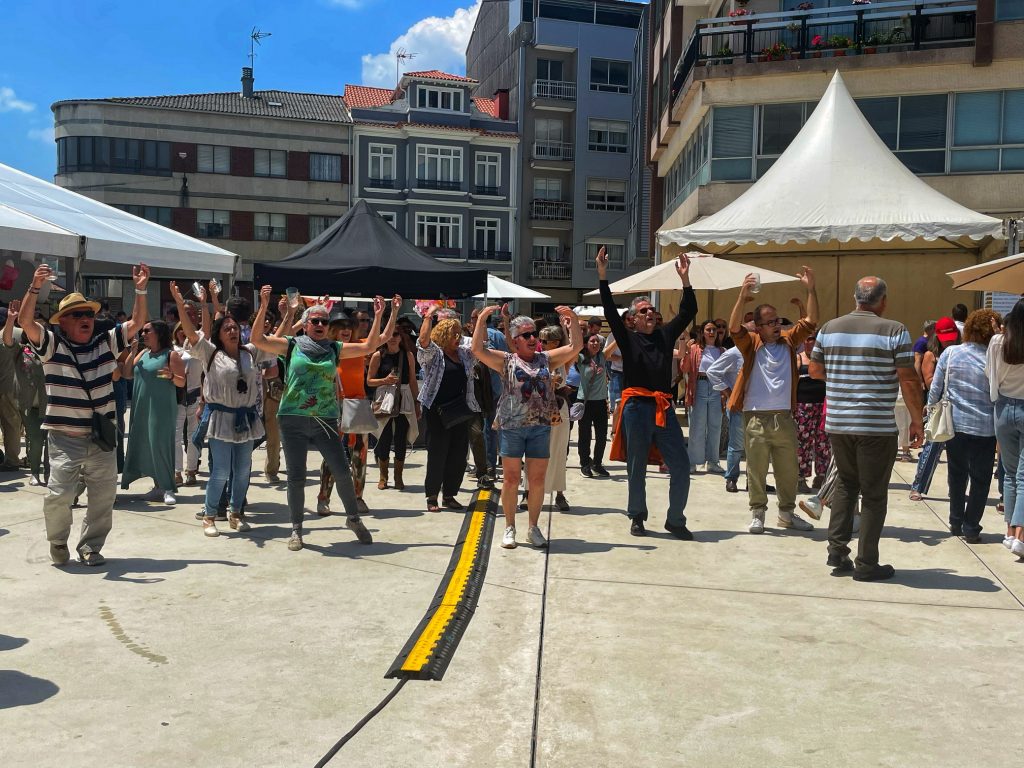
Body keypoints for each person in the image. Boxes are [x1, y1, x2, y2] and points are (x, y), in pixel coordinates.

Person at [18, 263, 150, 566]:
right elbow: (25, 321)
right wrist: (35, 286)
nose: (85, 319)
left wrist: (141, 289)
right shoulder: (52, 345)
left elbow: (137, 322)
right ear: (63, 322)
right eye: (77, 315)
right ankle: (58, 541)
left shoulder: (106, 343)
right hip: (65, 439)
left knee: (103, 498)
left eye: (88, 314)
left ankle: (91, 546)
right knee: (59, 495)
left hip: (101, 437)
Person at [251, 288, 391, 551]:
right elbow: (257, 339)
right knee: (296, 477)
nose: (319, 324)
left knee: (342, 471)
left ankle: (353, 518)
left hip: (325, 419)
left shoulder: (334, 349)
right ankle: (296, 529)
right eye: (314, 320)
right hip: (293, 418)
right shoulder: (291, 346)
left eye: (324, 321)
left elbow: (369, 346)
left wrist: (381, 314)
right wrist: (264, 304)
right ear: (304, 325)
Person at [810, 276, 924, 581]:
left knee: (846, 485)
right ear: (883, 300)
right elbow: (908, 379)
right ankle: (867, 563)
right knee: (873, 494)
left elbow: (815, 370)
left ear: (855, 298)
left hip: (839, 423)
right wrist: (916, 420)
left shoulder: (829, 328)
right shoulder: (894, 330)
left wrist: (844, 378)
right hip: (876, 426)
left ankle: (837, 551)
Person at [598, 248, 697, 539]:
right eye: (643, 311)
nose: (650, 313)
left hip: (663, 408)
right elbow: (609, 311)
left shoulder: (665, 336)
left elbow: (688, 311)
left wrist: (685, 280)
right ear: (632, 319)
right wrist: (602, 276)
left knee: (681, 465)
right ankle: (637, 516)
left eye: (652, 310)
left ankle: (675, 520)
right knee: (637, 466)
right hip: (636, 409)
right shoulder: (627, 338)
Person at [472, 304, 582, 549]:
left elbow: (575, 347)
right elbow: (477, 349)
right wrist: (481, 319)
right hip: (512, 427)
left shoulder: (546, 359)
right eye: (526, 335)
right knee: (511, 479)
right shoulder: (506, 361)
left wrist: (573, 320)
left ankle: (533, 527)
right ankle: (510, 526)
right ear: (515, 340)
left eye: (534, 334)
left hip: (540, 427)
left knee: (537, 480)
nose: (533, 339)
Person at [170, 282, 271, 536]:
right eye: (227, 328)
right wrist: (181, 304)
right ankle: (210, 515)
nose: (232, 331)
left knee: (243, 471)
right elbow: (191, 333)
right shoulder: (210, 352)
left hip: (246, 419)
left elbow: (267, 337)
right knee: (221, 470)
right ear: (219, 334)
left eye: (235, 327)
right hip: (221, 419)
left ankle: (235, 513)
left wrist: (266, 306)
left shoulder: (250, 352)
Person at [727, 270, 819, 535]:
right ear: (758, 326)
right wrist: (742, 296)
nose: (776, 325)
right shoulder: (751, 343)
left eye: (777, 320)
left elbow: (811, 320)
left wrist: (811, 289)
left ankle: (786, 515)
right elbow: (734, 328)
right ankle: (758, 513)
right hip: (755, 416)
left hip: (784, 416)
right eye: (769, 322)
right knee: (756, 469)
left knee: (788, 470)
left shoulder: (789, 341)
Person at [929, 309, 998, 543]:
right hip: (986, 427)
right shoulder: (994, 357)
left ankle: (956, 520)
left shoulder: (951, 353)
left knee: (957, 474)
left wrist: (930, 411)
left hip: (955, 425)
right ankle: (971, 526)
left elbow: (936, 388)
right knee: (981, 480)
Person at [417, 305, 479, 512]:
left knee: (458, 454)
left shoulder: (463, 354)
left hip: (458, 408)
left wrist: (481, 321)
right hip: (436, 409)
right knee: (438, 452)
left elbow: (480, 346)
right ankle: (432, 496)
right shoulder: (435, 354)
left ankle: (450, 494)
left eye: (459, 334)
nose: (458, 338)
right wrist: (428, 317)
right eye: (454, 334)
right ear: (444, 335)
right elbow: (423, 342)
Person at [120, 319, 184, 504]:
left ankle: (168, 487)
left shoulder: (171, 355)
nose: (143, 334)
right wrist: (133, 352)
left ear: (159, 333)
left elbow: (181, 382)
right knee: (146, 444)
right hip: (142, 406)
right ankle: (158, 487)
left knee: (160, 444)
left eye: (147, 331)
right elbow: (127, 374)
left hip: (161, 408)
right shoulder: (143, 353)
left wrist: (171, 376)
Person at [986, 300, 1024, 559]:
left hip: (1003, 407)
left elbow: (991, 375)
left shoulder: (998, 342)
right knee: (1022, 475)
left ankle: (1010, 532)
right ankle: (1020, 535)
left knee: (1009, 473)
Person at [910, 316, 960, 501]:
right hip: (940, 406)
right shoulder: (931, 355)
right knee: (931, 449)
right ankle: (918, 487)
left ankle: (956, 489)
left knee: (959, 454)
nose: (949, 341)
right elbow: (931, 382)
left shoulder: (960, 352)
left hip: (959, 407)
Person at [367, 323, 419, 490]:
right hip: (383, 398)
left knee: (401, 438)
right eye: (389, 335)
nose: (393, 338)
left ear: (401, 337)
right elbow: (369, 381)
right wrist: (385, 380)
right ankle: (383, 476)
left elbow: (412, 380)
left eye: (396, 334)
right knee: (384, 436)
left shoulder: (408, 355)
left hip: (404, 397)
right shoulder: (378, 355)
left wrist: (417, 403)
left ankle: (398, 477)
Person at [683, 319, 726, 474]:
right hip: (699, 386)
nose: (712, 332)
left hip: (716, 388)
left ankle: (713, 461)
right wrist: (687, 352)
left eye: (714, 329)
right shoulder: (694, 348)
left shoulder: (722, 350)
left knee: (715, 426)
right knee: (697, 426)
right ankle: (693, 462)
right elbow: (685, 368)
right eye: (708, 329)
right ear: (702, 332)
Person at [705, 342, 745, 493]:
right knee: (736, 445)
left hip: (756, 405)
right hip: (738, 406)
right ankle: (731, 478)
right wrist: (728, 392)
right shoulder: (733, 353)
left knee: (757, 446)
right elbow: (712, 372)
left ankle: (755, 482)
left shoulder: (759, 351)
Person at [795, 332, 829, 494]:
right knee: (803, 442)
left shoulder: (824, 359)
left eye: (813, 340)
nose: (810, 343)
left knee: (823, 441)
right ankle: (800, 477)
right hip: (803, 405)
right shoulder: (798, 358)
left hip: (822, 405)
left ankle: (821, 476)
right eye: (807, 339)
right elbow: (793, 381)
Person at [173, 322, 203, 487]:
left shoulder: (199, 350)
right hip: (177, 396)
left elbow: (205, 376)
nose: (183, 333)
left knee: (193, 436)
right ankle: (177, 472)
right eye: (180, 330)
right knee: (175, 436)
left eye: (186, 330)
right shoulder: (171, 350)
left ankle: (191, 470)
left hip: (195, 395)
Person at [577, 332, 611, 478]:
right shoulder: (580, 357)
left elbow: (615, 342)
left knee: (602, 435)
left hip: (601, 402)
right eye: (592, 341)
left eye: (597, 341)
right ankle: (585, 464)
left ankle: (597, 463)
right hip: (585, 402)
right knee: (585, 435)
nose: (596, 343)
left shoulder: (602, 356)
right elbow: (571, 346)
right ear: (585, 344)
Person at [0, 304, 22, 472]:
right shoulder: (22, 333)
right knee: (16, 424)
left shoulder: (2, 335)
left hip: (4, 385)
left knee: (9, 424)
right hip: (21, 385)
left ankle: (12, 461)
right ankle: (18, 458)